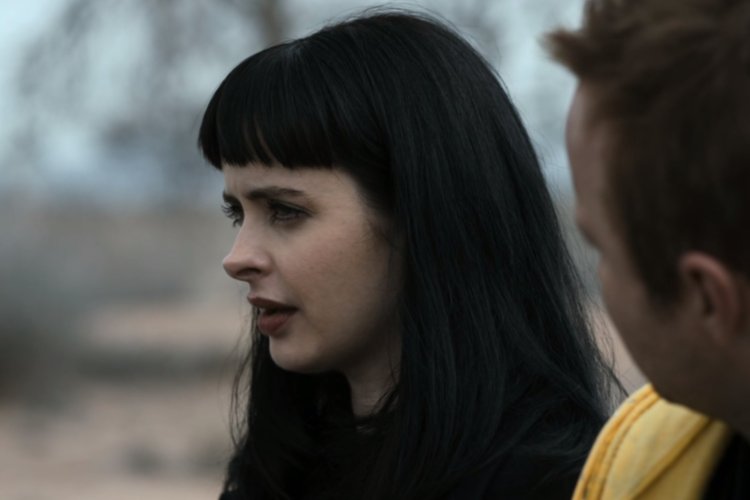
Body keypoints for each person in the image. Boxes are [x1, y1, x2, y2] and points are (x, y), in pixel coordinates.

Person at [199, 10, 615, 500]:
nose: (238, 258)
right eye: (237, 214)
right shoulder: (282, 473)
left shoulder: (556, 487)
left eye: (285, 210)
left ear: (423, 215)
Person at [547, 0, 750, 497]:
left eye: (601, 250)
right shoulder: (638, 458)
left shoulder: (637, 474)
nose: (599, 279)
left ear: (707, 298)